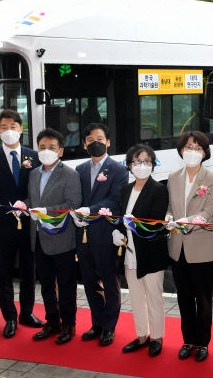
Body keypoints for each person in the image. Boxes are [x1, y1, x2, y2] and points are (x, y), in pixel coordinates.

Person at [0, 109, 44, 338]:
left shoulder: (34, 157)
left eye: (13, 126)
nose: (9, 131)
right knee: (4, 272)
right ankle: (10, 318)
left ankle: (27, 312)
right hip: (1, 224)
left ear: (21, 128)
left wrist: (26, 202)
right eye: (3, 127)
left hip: (27, 224)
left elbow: (38, 188)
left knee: (29, 270)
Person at [166, 131, 213, 362]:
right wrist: (169, 218)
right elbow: (170, 206)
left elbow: (209, 212)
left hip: (203, 248)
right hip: (177, 247)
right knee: (184, 297)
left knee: (204, 298)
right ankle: (188, 340)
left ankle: (203, 342)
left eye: (197, 148)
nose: (192, 151)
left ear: (205, 153)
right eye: (188, 147)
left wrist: (187, 222)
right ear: (181, 150)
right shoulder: (173, 176)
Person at [25, 128, 82, 345]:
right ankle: (52, 322)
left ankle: (69, 324)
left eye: (51, 147)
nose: (46, 151)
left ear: (60, 151)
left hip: (61, 237)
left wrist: (46, 211)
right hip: (38, 237)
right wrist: (24, 206)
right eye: (42, 147)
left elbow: (72, 205)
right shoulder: (34, 174)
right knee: (46, 283)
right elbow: (32, 201)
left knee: (66, 284)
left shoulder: (70, 174)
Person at [73, 123, 128, 346]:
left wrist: (91, 210)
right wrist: (75, 213)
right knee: (89, 282)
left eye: (100, 138)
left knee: (109, 281)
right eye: (90, 139)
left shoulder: (118, 170)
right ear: (85, 144)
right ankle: (96, 323)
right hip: (83, 234)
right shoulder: (80, 169)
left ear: (107, 142)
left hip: (105, 233)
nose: (95, 142)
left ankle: (109, 327)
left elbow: (116, 200)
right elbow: (77, 198)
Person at [114, 145, 169, 357]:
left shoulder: (159, 189)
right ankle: (141, 335)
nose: (141, 165)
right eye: (137, 161)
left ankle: (156, 336)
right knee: (136, 297)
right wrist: (117, 232)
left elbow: (156, 222)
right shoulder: (125, 190)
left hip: (151, 252)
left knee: (154, 296)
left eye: (147, 161)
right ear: (129, 165)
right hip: (130, 252)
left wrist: (135, 224)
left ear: (153, 165)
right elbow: (120, 218)